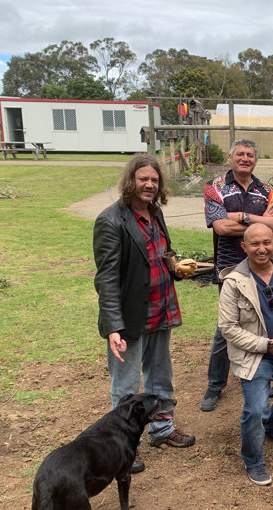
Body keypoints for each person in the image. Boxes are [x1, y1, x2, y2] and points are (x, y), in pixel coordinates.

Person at [93, 154, 196, 473]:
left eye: (154, 180)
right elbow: (106, 277)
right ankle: (125, 446)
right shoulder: (111, 221)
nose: (150, 184)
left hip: (161, 308)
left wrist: (175, 266)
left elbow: (164, 252)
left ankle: (162, 430)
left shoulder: (156, 213)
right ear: (131, 181)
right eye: (143, 179)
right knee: (125, 386)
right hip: (130, 318)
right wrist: (113, 326)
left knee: (160, 375)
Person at [218, 223, 273, 486]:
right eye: (255, 244)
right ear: (244, 247)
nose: (262, 249)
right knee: (256, 409)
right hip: (255, 357)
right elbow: (228, 328)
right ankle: (253, 459)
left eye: (267, 242)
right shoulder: (234, 282)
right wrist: (265, 345)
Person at [200, 139, 273, 412]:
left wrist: (242, 216)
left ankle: (265, 380)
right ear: (230, 157)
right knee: (226, 329)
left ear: (255, 160)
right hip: (229, 268)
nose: (245, 158)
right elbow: (221, 228)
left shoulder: (267, 190)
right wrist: (260, 223)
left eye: (250, 155)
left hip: (262, 266)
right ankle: (215, 385)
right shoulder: (215, 187)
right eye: (240, 154)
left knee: (266, 323)